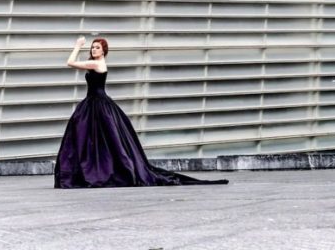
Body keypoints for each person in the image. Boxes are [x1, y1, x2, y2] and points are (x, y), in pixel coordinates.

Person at [54, 36, 228, 188]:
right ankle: (95, 170)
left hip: (98, 104)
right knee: (97, 141)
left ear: (104, 51)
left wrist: (78, 45)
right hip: (94, 104)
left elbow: (70, 62)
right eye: (92, 47)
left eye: (97, 47)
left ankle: (99, 171)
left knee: (96, 140)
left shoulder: (97, 63)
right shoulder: (95, 63)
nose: (94, 49)